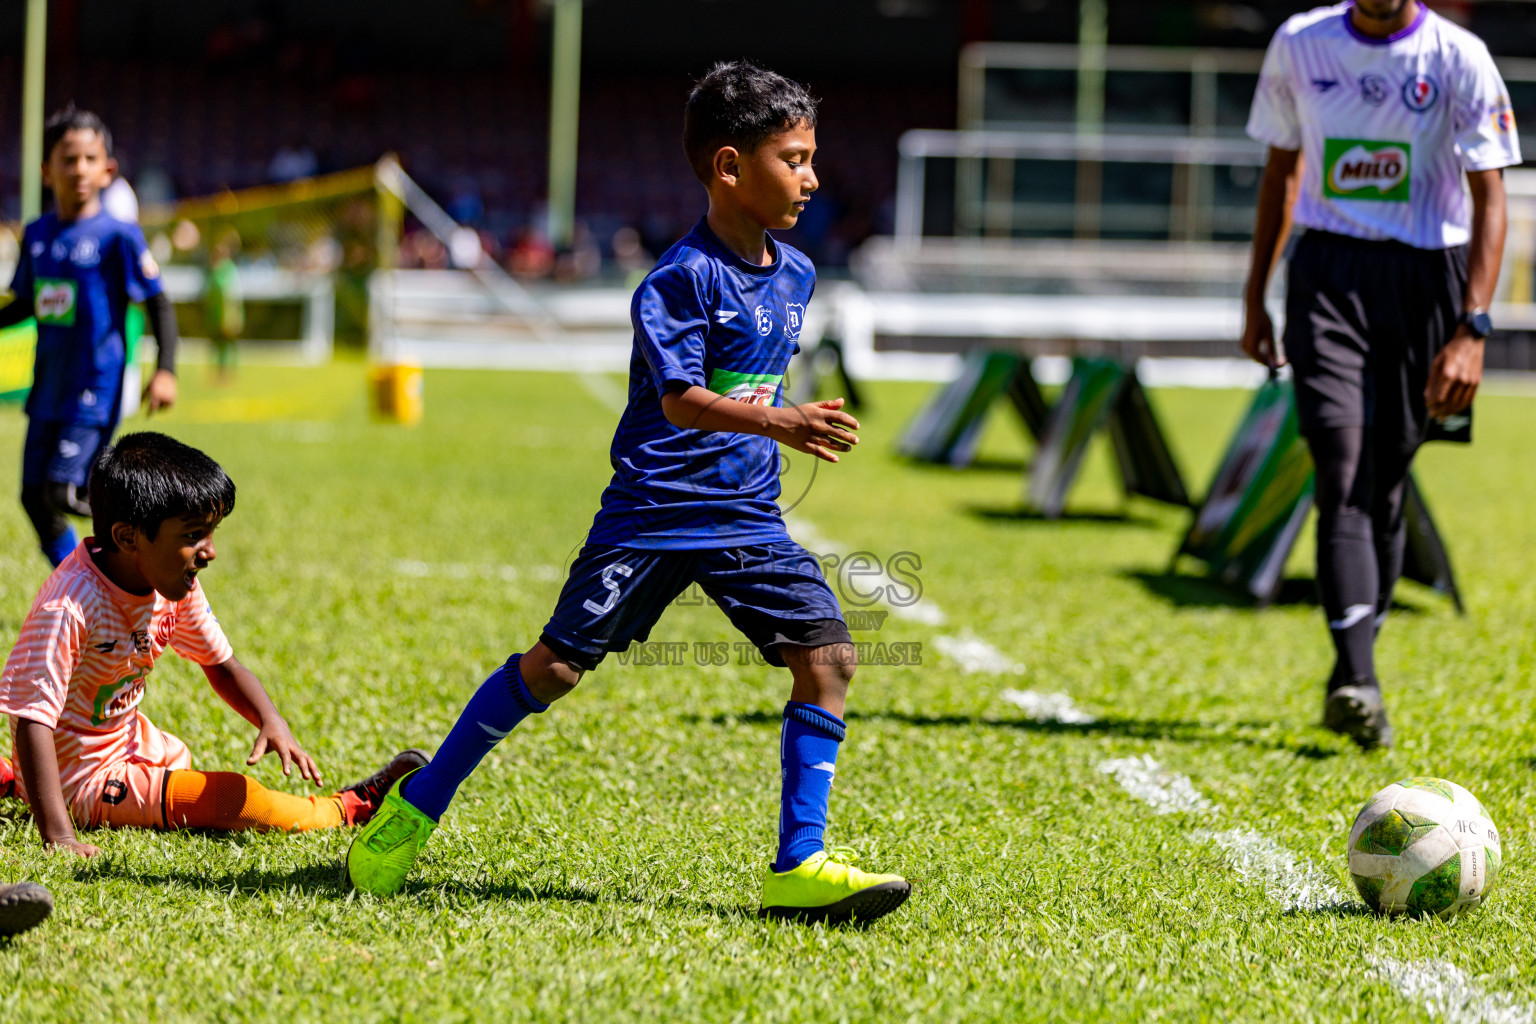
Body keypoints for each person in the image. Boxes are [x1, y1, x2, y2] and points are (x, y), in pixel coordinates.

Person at [347, 62, 911, 925]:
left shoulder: (795, 274)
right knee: (556, 669)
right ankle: (418, 803)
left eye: (812, 157)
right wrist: (782, 424)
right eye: (793, 160)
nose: (813, 177)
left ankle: (800, 864)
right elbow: (682, 402)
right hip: (652, 514)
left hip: (745, 519)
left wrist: (778, 431)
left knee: (827, 660)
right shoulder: (678, 280)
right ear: (730, 168)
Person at [1240, 0, 1519, 749]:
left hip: (1429, 282)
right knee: (1340, 466)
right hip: (1327, 273)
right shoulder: (1300, 45)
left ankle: (1353, 668)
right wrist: (1255, 296)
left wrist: (1473, 328)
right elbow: (1281, 171)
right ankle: (1357, 678)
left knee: (1385, 483)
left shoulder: (1459, 58)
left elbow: (1494, 198)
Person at [0, 432, 424, 855]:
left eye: (212, 532)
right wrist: (59, 836)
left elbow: (222, 665)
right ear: (129, 538)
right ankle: (345, 808)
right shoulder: (69, 606)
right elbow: (32, 718)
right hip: (80, 777)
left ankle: (13, 781)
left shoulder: (170, 583)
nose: (211, 551)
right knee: (231, 798)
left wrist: (270, 720)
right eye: (194, 535)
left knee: (182, 770)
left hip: (131, 744)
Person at [0, 105, 182, 567]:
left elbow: (158, 302)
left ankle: (142, 540)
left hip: (94, 386)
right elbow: (24, 302)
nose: (78, 168)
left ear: (108, 170)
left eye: (89, 159)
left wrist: (165, 370)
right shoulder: (38, 235)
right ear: (46, 170)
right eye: (67, 159)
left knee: (62, 490)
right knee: (31, 497)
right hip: (47, 388)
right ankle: (85, 586)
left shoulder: (119, 236)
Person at [203, 230, 245, 383]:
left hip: (227, 316)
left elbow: (234, 295)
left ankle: (227, 375)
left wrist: (232, 317)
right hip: (215, 316)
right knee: (215, 346)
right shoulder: (215, 271)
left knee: (226, 346)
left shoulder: (229, 270)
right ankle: (216, 374)